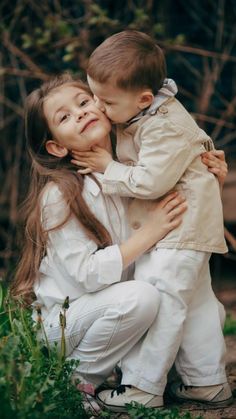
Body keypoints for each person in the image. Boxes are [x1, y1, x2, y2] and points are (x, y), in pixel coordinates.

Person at [70, 30, 233, 410]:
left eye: (106, 101)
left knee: (163, 302)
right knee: (196, 307)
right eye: (94, 95)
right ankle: (205, 382)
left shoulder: (162, 124)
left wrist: (109, 167)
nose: (98, 106)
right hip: (187, 231)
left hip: (178, 231)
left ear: (143, 99)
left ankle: (142, 388)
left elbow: (151, 180)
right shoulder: (150, 111)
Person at [10, 74, 188, 401]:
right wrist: (150, 232)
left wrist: (208, 180)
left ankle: (165, 377)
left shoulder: (129, 171)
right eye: (64, 117)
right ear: (56, 146)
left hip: (108, 312)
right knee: (141, 297)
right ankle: (75, 383)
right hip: (65, 323)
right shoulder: (60, 196)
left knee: (173, 290)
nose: (79, 113)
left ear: (104, 106)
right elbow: (89, 275)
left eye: (83, 102)